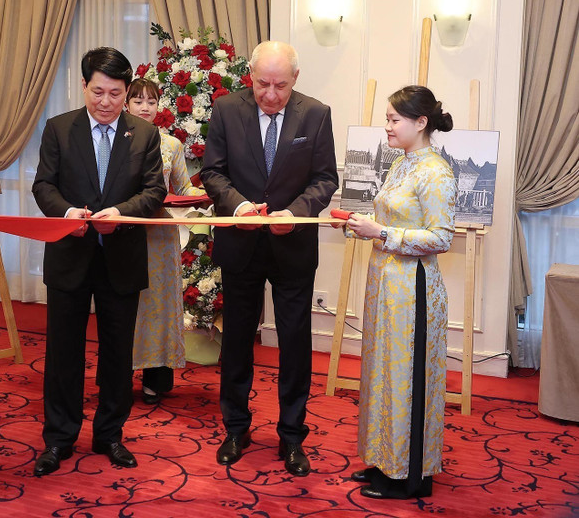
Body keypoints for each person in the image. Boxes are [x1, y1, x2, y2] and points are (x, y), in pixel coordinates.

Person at [200, 41, 338, 476]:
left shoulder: (315, 114)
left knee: (294, 342)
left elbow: (325, 178)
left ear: (295, 80)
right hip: (241, 243)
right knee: (238, 339)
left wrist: (295, 214)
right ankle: (236, 429)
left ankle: (292, 436)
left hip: (292, 246)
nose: (271, 95)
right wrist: (239, 206)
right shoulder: (225, 110)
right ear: (251, 77)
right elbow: (212, 172)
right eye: (262, 84)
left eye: (280, 85)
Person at [31, 48, 166, 476]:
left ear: (127, 93)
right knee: (63, 353)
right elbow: (43, 186)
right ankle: (59, 438)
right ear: (84, 86)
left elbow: (153, 192)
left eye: (115, 93)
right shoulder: (59, 128)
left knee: (117, 353)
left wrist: (121, 213)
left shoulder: (143, 134)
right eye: (97, 91)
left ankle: (110, 435)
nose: (105, 102)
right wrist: (68, 213)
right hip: (70, 255)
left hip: (120, 257)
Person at [344, 85, 456, 499]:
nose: (387, 127)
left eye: (394, 119)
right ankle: (383, 460)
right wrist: (364, 223)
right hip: (386, 285)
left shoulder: (436, 171)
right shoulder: (401, 164)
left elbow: (441, 237)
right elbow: (388, 217)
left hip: (414, 290)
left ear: (421, 122)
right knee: (384, 372)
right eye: (387, 119)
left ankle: (410, 477)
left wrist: (383, 232)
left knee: (407, 377)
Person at [125, 78, 205, 404]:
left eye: (151, 101)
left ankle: (154, 379)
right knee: (126, 306)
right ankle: (118, 376)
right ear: (126, 103)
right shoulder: (114, 140)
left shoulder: (171, 144)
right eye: (138, 100)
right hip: (124, 232)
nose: (145, 107)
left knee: (158, 308)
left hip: (160, 235)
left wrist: (216, 193)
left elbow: (185, 189)